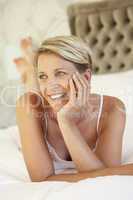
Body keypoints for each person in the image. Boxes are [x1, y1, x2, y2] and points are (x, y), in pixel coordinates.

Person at [14, 36, 133, 183]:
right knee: (33, 94)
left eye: (60, 73)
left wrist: (65, 121)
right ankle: (30, 72)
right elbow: (41, 179)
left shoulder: (113, 109)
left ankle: (30, 69)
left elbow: (104, 181)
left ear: (87, 77)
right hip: (36, 106)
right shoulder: (27, 105)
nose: (51, 84)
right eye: (43, 76)